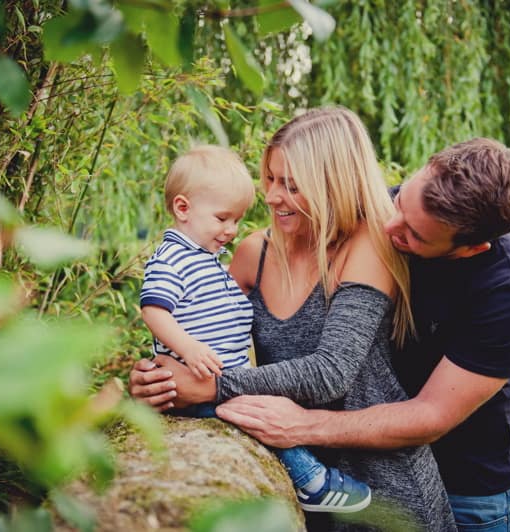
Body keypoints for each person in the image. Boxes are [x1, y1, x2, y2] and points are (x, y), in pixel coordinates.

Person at [188, 137, 510, 531]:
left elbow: (430, 415)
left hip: (468, 486)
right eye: (400, 202)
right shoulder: (378, 220)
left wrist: (303, 425)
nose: (389, 226)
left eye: (415, 235)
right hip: (355, 462)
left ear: (471, 248)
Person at [133, 108, 456, 531]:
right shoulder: (254, 253)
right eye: (269, 178)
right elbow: (200, 328)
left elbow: (331, 372)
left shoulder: (368, 245)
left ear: (332, 185)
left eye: (291, 185)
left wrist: (210, 386)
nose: (271, 196)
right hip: (299, 479)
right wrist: (158, 379)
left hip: (383, 488)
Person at [139, 144, 373, 515]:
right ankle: (311, 481)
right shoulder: (173, 259)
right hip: (207, 383)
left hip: (221, 380)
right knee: (262, 423)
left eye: (236, 220)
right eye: (222, 218)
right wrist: (184, 351)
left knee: (259, 416)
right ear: (183, 209)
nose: (231, 231)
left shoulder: (206, 259)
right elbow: (154, 310)